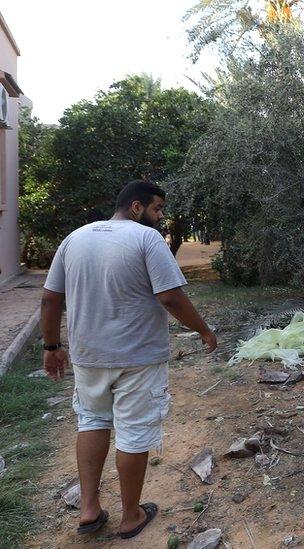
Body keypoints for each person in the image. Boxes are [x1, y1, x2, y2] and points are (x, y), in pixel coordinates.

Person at [40, 180, 217, 539]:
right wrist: (204, 330)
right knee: (134, 433)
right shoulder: (146, 239)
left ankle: (89, 510)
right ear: (136, 208)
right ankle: (131, 516)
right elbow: (170, 297)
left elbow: (49, 298)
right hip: (138, 357)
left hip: (88, 356)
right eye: (158, 209)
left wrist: (51, 346)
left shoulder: (75, 239)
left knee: (91, 421)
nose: (161, 217)